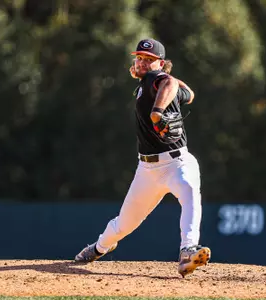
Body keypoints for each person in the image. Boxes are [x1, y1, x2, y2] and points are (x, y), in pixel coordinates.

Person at [74, 38, 211, 278]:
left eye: (148, 59)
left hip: (177, 163)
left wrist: (158, 110)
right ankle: (98, 248)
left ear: (160, 63)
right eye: (139, 58)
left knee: (189, 191)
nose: (141, 62)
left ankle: (188, 250)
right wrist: (160, 76)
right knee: (124, 224)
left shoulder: (156, 80)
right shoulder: (146, 85)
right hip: (147, 170)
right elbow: (188, 94)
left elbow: (169, 82)